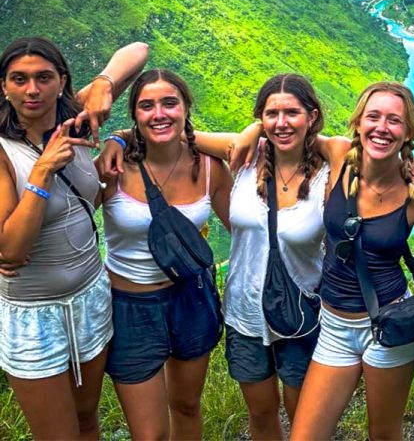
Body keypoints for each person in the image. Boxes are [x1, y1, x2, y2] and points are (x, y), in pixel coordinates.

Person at [0, 36, 148, 440]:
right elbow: (10, 250)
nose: (32, 89)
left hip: (88, 296)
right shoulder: (3, 151)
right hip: (34, 313)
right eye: (19, 79)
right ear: (4, 87)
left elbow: (138, 50)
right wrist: (42, 173)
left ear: (61, 81)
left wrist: (103, 85)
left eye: (44, 77)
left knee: (87, 421)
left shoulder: (79, 121)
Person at [288, 82, 414, 441]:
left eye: (394, 120)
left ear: (408, 131)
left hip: (388, 326)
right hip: (334, 324)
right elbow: (286, 129)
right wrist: (251, 131)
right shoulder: (337, 155)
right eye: (374, 117)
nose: (382, 128)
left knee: (383, 432)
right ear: (358, 123)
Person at [100, 69, 232, 440]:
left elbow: (246, 226)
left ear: (186, 108)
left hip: (192, 298)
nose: (159, 113)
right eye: (147, 106)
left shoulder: (210, 168)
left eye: (170, 103)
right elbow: (69, 222)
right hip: (130, 307)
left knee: (188, 406)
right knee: (150, 433)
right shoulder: (113, 167)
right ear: (135, 115)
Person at [221, 74, 331, 440]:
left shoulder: (327, 174)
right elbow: (177, 137)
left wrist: (261, 130)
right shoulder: (245, 158)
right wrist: (117, 138)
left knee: (304, 418)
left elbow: (349, 145)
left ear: (311, 116)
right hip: (244, 312)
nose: (281, 123)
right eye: (271, 114)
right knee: (262, 413)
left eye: (292, 113)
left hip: (301, 313)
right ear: (260, 118)